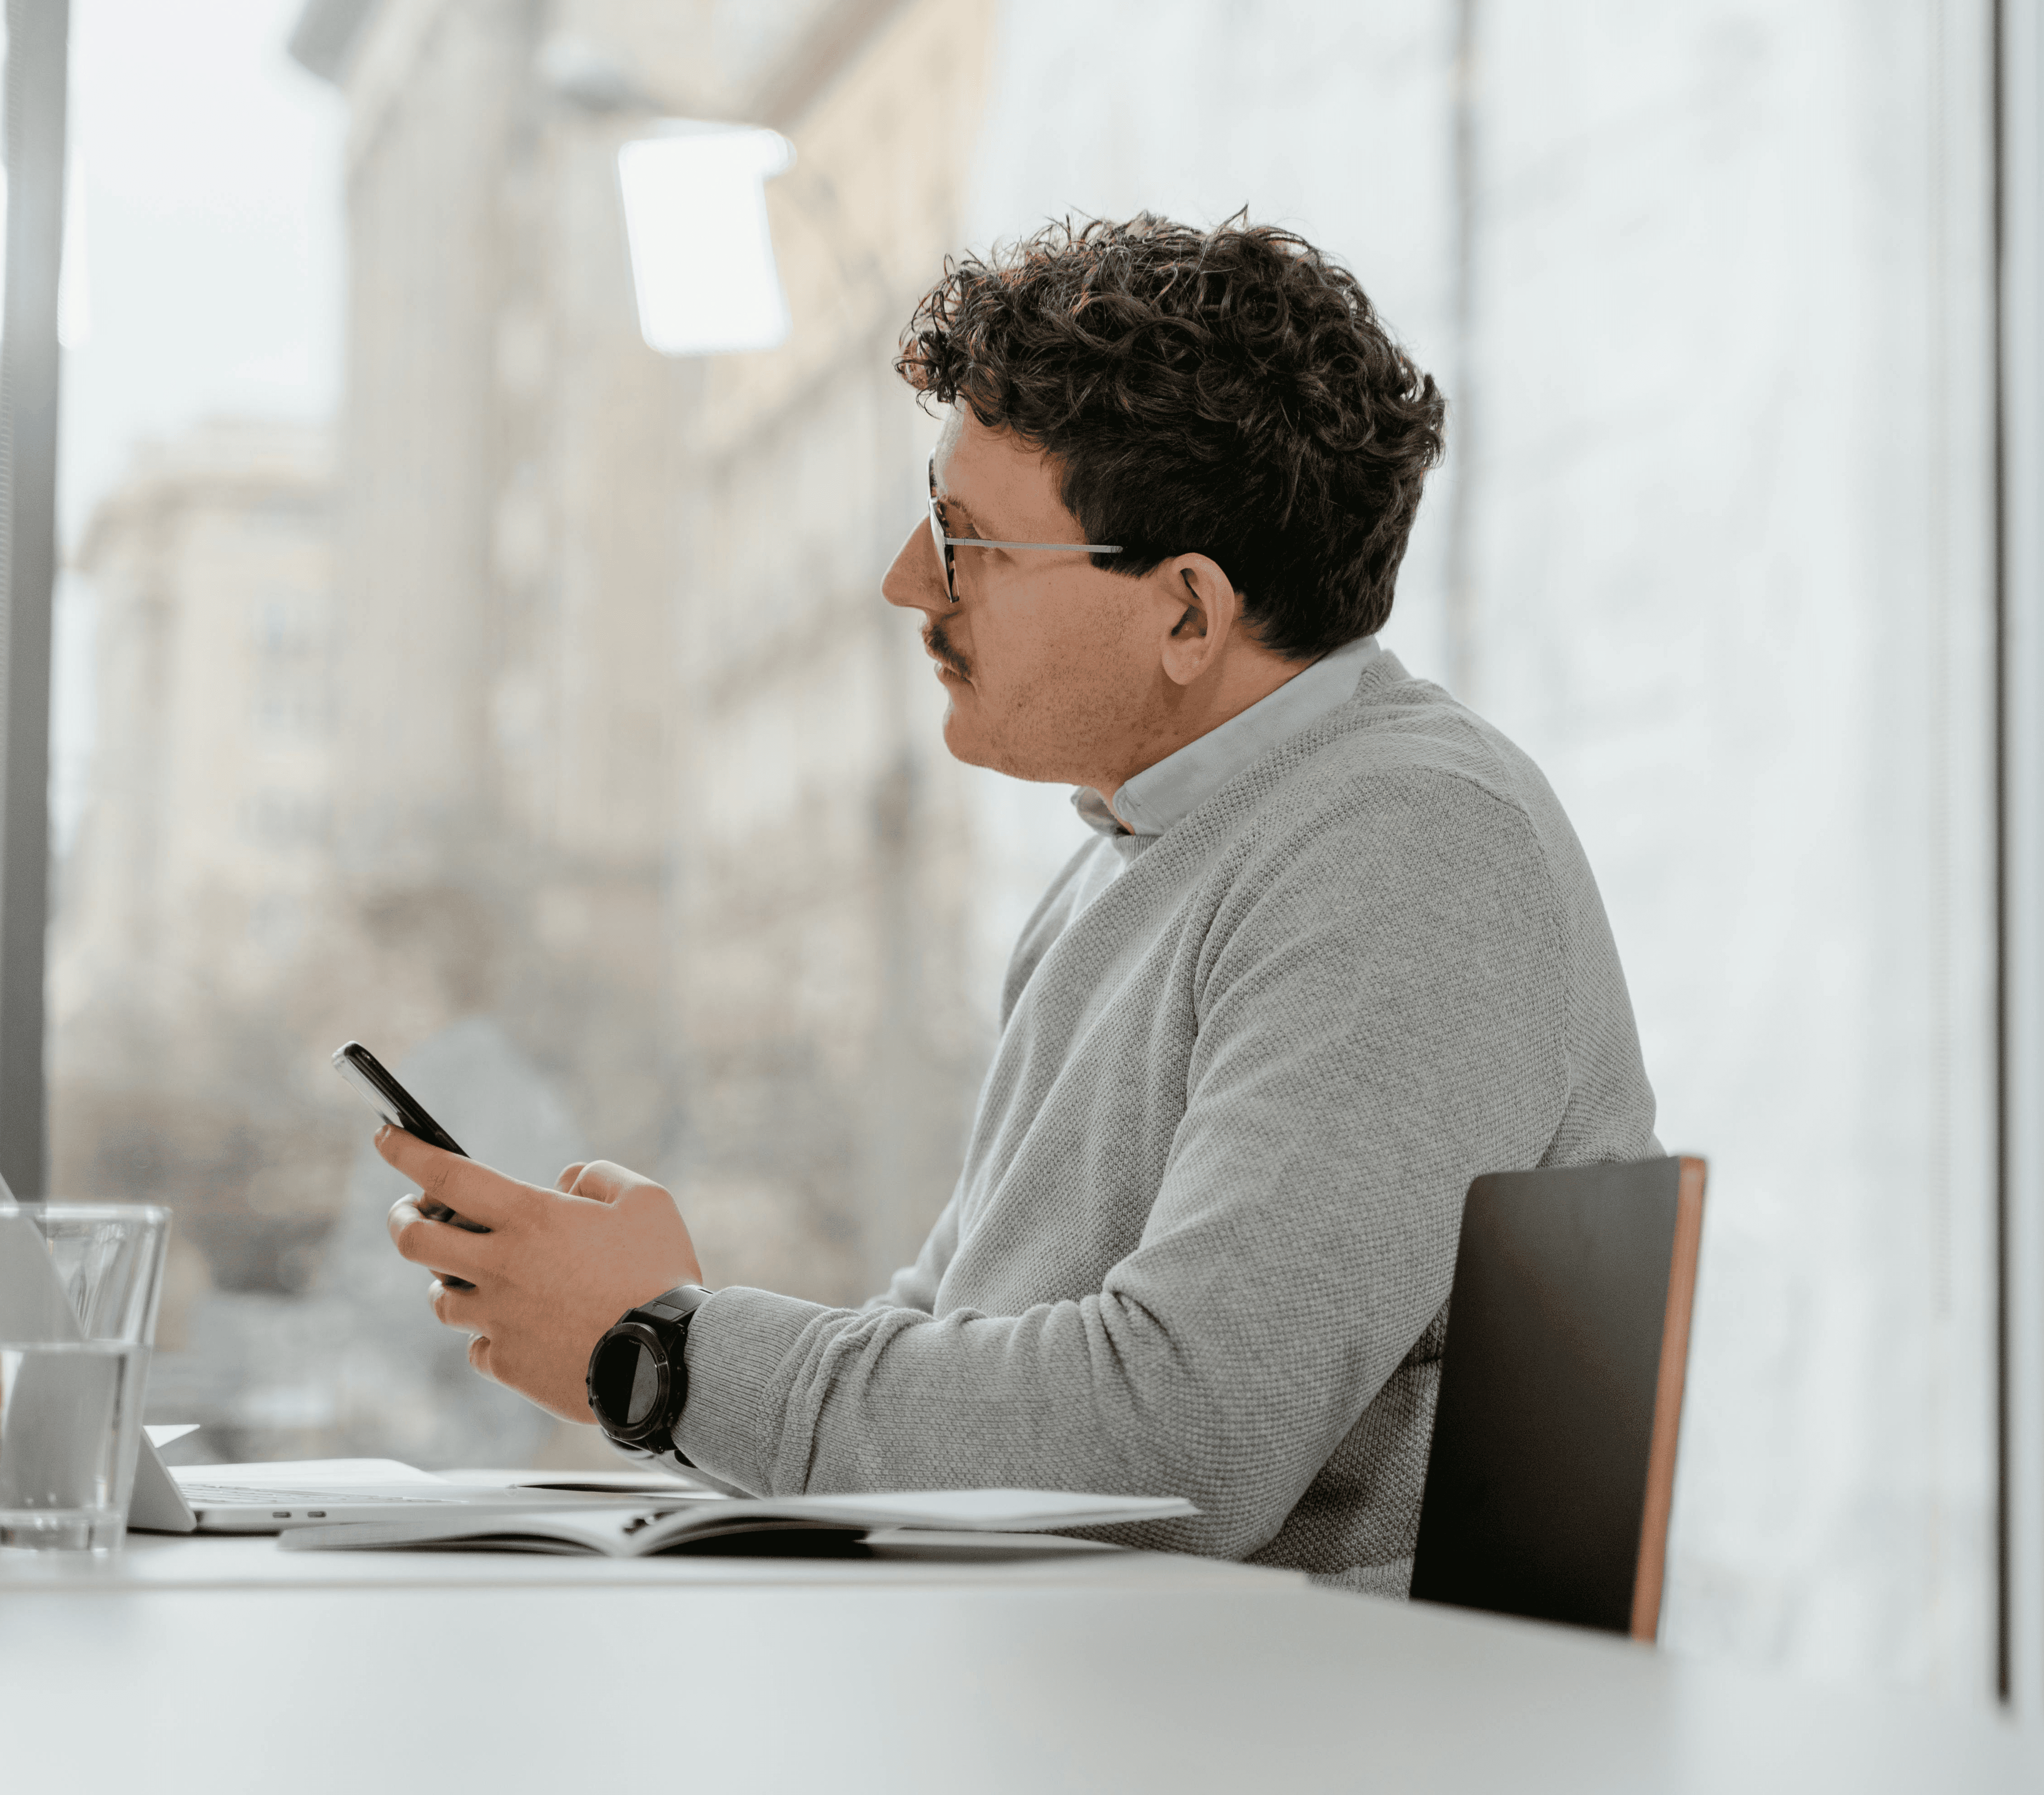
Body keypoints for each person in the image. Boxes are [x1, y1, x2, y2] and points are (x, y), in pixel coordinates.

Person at [376, 214, 1658, 1594]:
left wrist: (669, 1354)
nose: (905, 582)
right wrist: (658, 1337)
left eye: (964, 537)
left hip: (1285, 1705)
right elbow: (959, 1334)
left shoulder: (1411, 850)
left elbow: (1174, 1449)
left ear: (1187, 615)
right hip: (1097, 1676)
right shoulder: (1140, 852)